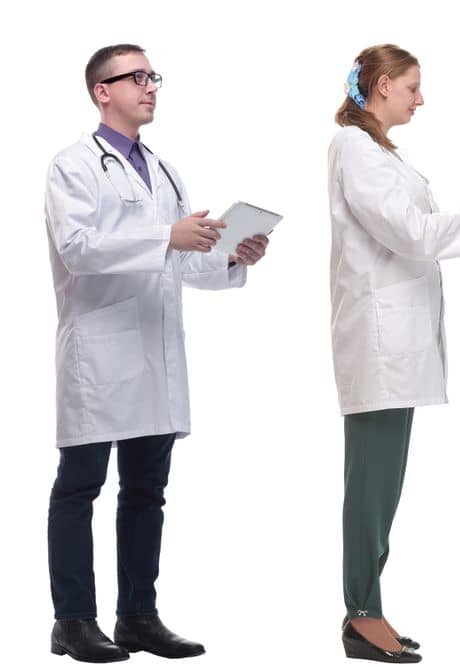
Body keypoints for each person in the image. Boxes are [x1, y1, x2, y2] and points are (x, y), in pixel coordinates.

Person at [44, 43, 270, 663]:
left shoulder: (164, 170)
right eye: (136, 77)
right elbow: (78, 249)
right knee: (80, 487)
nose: (150, 86)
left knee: (147, 490)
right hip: (100, 353)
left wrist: (226, 254)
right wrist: (166, 235)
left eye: (152, 76)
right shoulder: (74, 165)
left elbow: (179, 263)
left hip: (155, 355)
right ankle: (72, 620)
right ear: (101, 91)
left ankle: (138, 617)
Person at [327, 43, 460, 663]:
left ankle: (369, 607)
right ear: (382, 85)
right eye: (412, 87)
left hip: (400, 341)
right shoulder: (353, 148)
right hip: (379, 342)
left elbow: (423, 224)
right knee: (373, 484)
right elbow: (408, 232)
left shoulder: (380, 152)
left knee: (384, 483)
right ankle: (361, 612)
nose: (421, 98)